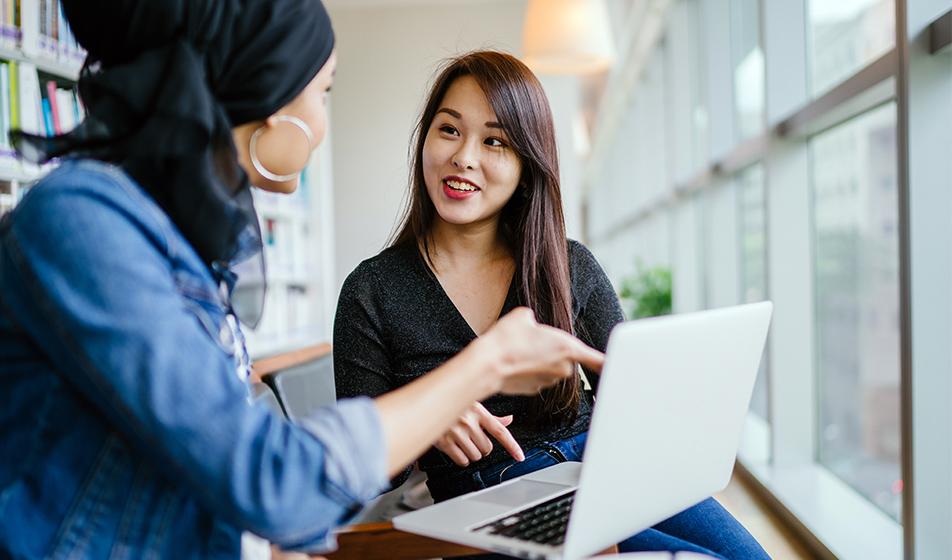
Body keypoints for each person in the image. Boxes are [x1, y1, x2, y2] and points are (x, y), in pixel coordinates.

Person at [0, 3, 605, 558]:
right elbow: (269, 481)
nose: (321, 120)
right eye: (323, 92)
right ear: (269, 100)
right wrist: (481, 367)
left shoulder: (174, 242)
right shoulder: (84, 224)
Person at [333, 50, 769, 559]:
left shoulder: (567, 264)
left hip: (606, 466)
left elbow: (629, 399)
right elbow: (360, 474)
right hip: (494, 493)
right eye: (449, 130)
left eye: (494, 141)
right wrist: (431, 412)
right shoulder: (371, 290)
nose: (464, 157)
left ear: (526, 165)